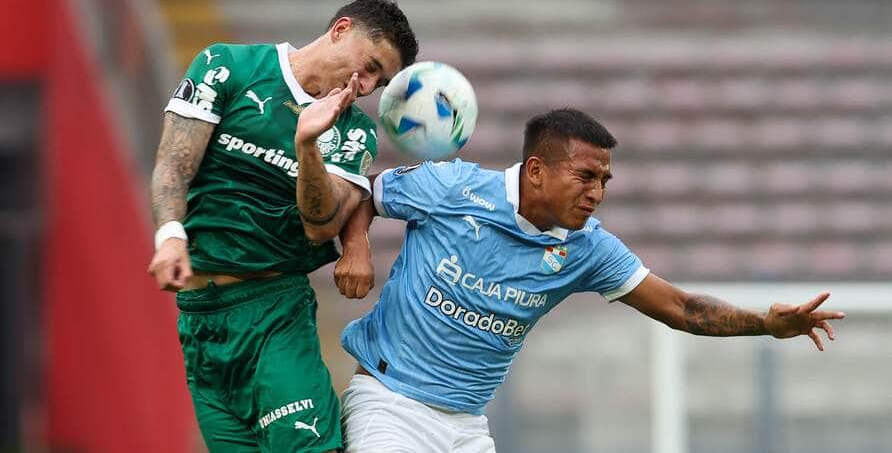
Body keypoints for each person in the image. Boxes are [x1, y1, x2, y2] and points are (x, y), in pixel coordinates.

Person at [333, 107, 846, 452]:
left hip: (466, 424)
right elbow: (365, 194)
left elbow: (682, 309)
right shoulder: (453, 186)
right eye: (585, 177)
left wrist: (766, 323)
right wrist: (356, 249)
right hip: (390, 402)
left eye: (604, 181)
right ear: (536, 171)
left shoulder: (588, 247)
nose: (597, 192)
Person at [146, 0, 418, 452]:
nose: (368, 86)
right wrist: (171, 235)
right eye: (370, 66)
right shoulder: (227, 66)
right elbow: (175, 163)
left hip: (273, 312)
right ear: (340, 30)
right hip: (199, 322)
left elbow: (320, 225)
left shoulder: (353, 132)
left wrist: (308, 143)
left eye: (381, 80)